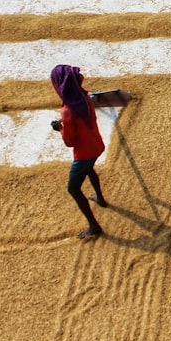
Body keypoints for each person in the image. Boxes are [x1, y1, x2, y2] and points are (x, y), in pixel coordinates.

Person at [50, 64, 108, 240]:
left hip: (83, 153)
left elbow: (70, 142)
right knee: (89, 168)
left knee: (73, 188)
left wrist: (60, 128)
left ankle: (94, 225)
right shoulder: (84, 97)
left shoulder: (67, 110)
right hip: (96, 145)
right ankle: (100, 198)